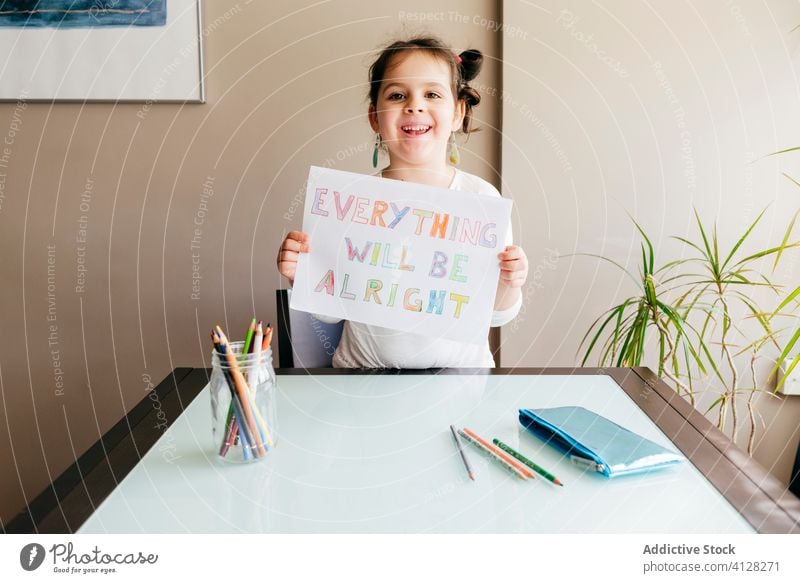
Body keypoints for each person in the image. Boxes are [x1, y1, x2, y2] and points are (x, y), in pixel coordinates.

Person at [277, 36, 528, 368]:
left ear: (458, 113)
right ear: (374, 118)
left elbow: (497, 315)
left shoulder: (482, 201)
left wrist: (510, 282)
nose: (415, 105)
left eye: (433, 94)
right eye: (397, 95)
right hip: (361, 381)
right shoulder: (349, 204)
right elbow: (328, 314)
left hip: (460, 384)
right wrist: (301, 274)